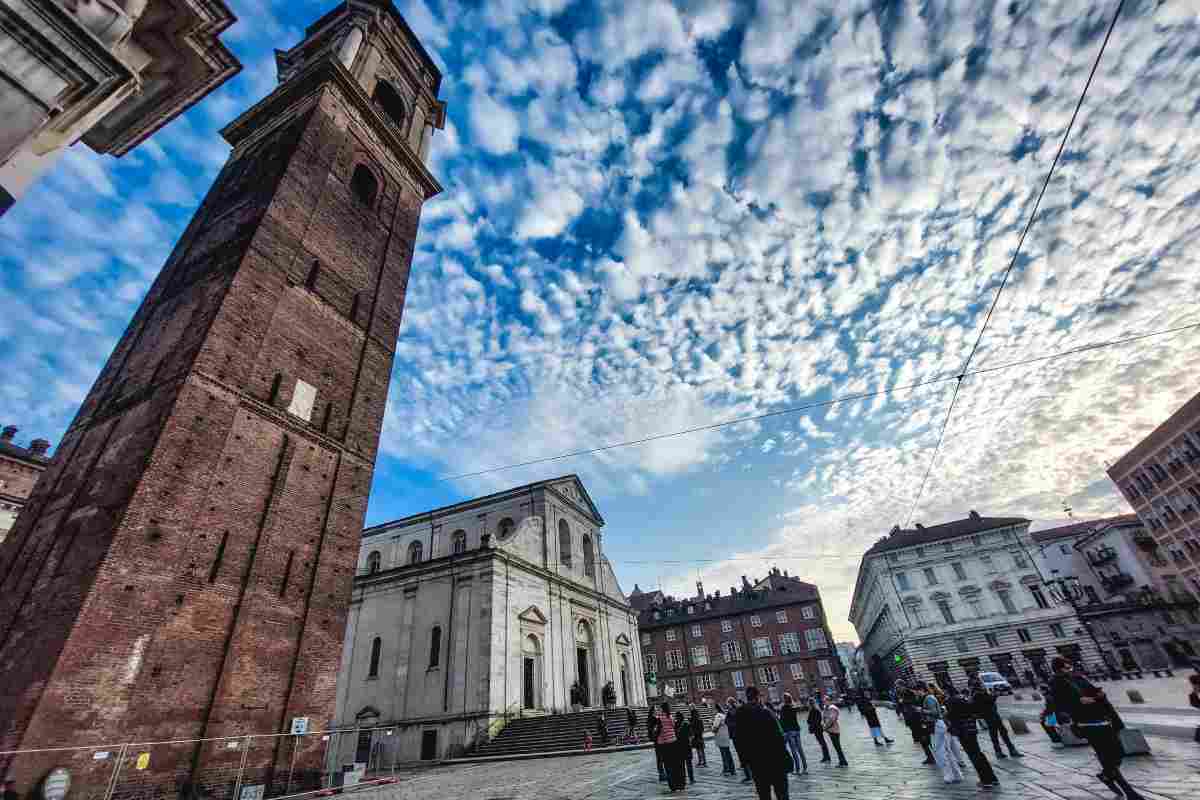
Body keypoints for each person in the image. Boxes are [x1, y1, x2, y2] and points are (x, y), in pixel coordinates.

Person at [1049, 656, 1146, 800]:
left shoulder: (1078, 676)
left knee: (1118, 752)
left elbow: (1093, 690)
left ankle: (1106, 775)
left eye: (1069, 666)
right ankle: (1130, 792)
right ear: (1058, 669)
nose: (1069, 669)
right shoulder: (1055, 683)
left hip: (1101, 718)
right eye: (1065, 667)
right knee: (1105, 756)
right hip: (1086, 723)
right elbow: (1058, 705)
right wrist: (1077, 702)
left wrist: (1100, 694)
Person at [735, 686, 791, 800]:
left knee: (764, 794)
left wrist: (744, 761)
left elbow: (739, 741)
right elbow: (778, 737)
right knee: (782, 793)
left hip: (756, 762)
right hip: (775, 759)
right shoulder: (766, 712)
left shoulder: (740, 714)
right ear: (757, 697)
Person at [947, 686, 999, 789]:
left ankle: (985, 780)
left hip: (963, 731)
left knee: (973, 755)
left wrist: (947, 715)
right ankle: (993, 778)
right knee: (979, 754)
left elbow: (952, 716)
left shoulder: (952, 701)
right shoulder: (964, 698)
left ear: (947, 692)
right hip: (971, 728)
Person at [923, 683, 964, 784]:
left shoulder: (928, 698)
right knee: (946, 750)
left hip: (936, 725)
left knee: (940, 751)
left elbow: (935, 713)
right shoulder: (931, 697)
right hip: (940, 725)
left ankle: (949, 775)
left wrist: (922, 710)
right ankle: (956, 774)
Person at [970, 677, 1021, 758]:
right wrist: (995, 695)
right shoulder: (978, 694)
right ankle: (1008, 751)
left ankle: (1003, 751)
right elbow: (988, 701)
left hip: (992, 715)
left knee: (998, 733)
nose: (983, 685)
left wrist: (994, 694)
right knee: (1000, 734)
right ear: (978, 685)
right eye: (981, 683)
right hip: (990, 716)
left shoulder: (978, 693)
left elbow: (989, 700)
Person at [900, 685, 936, 764]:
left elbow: (919, 711)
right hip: (915, 723)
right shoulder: (910, 700)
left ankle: (932, 756)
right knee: (923, 741)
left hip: (919, 722)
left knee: (926, 740)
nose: (916, 693)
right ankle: (930, 756)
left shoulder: (915, 700)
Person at [655, 701, 685, 791]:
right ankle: (679, 784)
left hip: (664, 744)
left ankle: (673, 785)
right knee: (675, 765)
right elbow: (673, 726)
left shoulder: (660, 717)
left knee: (668, 766)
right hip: (673, 742)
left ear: (662, 708)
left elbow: (657, 729)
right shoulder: (670, 717)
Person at [778, 692, 808, 775]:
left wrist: (783, 731)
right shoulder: (793, 707)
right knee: (800, 750)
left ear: (784, 699)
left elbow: (782, 721)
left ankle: (797, 770)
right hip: (797, 729)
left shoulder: (784, 708)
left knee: (794, 751)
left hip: (789, 731)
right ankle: (805, 768)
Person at [727, 697, 753, 783]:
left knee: (742, 755)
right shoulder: (740, 709)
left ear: (730, 703)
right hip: (744, 735)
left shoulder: (732, 712)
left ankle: (748, 775)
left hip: (737, 735)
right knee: (747, 754)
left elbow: (729, 722)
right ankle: (751, 773)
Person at [821, 694, 849, 767]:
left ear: (829, 701)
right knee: (836, 746)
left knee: (837, 746)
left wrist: (825, 727)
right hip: (830, 730)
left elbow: (831, 719)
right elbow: (824, 717)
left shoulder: (832, 708)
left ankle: (843, 762)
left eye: (825, 701)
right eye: (823, 701)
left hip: (834, 730)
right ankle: (842, 761)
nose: (824, 702)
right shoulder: (826, 708)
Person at [713, 701, 737, 775]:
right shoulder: (724, 715)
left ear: (716, 709)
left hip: (720, 736)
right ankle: (732, 769)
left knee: (724, 754)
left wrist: (712, 729)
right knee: (728, 753)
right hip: (726, 735)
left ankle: (726, 769)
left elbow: (716, 727)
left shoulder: (718, 716)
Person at [807, 695, 831, 763]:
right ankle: (826, 756)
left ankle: (826, 757)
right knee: (822, 742)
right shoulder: (817, 710)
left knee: (822, 743)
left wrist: (811, 722)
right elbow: (819, 719)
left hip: (816, 729)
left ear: (810, 704)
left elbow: (809, 720)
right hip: (819, 728)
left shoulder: (812, 710)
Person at [675, 711, 696, 785]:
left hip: (679, 746)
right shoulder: (686, 724)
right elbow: (692, 735)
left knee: (681, 764)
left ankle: (683, 779)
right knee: (689, 763)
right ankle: (691, 779)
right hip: (687, 745)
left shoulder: (675, 724)